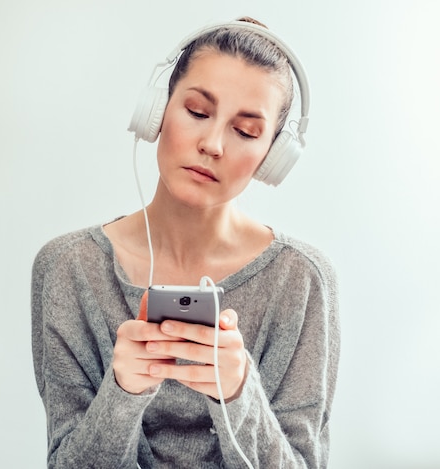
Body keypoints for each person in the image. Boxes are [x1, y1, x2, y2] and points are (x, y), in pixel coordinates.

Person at [31, 17, 340, 469]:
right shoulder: (68, 268)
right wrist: (122, 393)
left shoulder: (302, 279)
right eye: (197, 112)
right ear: (156, 112)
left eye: (246, 132)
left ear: (271, 157)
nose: (212, 143)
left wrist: (238, 392)